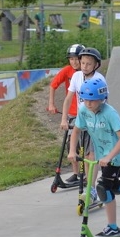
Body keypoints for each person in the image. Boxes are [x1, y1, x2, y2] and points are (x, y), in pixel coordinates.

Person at [69, 79, 120, 237]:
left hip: (116, 156)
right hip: (101, 155)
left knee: (104, 188)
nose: (89, 103)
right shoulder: (83, 111)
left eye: (92, 100)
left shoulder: (110, 113)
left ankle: (113, 227)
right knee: (114, 186)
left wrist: (109, 157)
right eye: (85, 99)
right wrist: (71, 152)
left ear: (102, 98)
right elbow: (76, 131)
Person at [60, 47, 108, 193]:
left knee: (91, 155)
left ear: (96, 65)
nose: (85, 66)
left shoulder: (99, 79)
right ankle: (89, 184)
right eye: (83, 63)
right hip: (82, 119)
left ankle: (91, 188)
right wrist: (64, 119)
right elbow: (69, 98)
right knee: (85, 156)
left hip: (95, 119)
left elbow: (105, 101)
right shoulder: (76, 77)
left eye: (89, 64)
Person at [48, 44, 85, 184]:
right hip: (71, 114)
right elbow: (53, 86)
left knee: (84, 146)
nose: (74, 62)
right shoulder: (67, 71)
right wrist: (51, 104)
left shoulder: (86, 71)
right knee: (72, 145)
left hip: (85, 114)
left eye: (77, 59)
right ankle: (76, 173)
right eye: (71, 59)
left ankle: (86, 174)